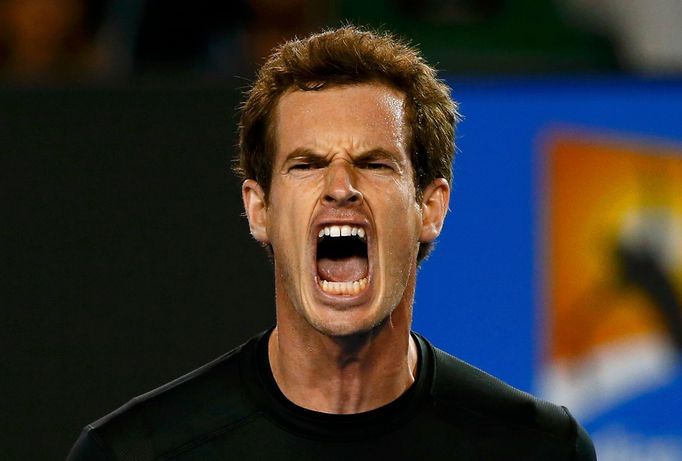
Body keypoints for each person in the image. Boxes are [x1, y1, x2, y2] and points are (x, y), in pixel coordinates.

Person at [67, 26, 596, 460]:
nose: (341, 188)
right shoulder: (134, 455)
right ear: (260, 209)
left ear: (430, 208)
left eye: (373, 163)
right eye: (307, 164)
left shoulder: (540, 451)